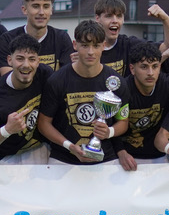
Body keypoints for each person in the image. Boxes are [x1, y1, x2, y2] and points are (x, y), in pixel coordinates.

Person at [37, 20, 130, 167]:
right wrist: (69, 146)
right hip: (63, 159)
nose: (91, 52)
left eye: (96, 45)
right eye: (85, 46)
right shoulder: (57, 80)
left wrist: (109, 132)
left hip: (105, 159)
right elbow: (43, 124)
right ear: (75, 45)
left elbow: (123, 122)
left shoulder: (116, 82)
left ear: (104, 46)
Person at [116, 43, 169, 169]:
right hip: (126, 157)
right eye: (144, 67)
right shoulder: (123, 89)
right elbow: (110, 125)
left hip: (160, 156)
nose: (150, 73)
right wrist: (121, 152)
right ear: (132, 69)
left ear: (160, 67)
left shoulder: (167, 82)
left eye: (155, 67)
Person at [0, 34, 53, 166]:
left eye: (31, 59)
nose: (26, 65)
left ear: (38, 61)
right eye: (20, 59)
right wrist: (7, 129)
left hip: (38, 148)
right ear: (9, 60)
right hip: (7, 156)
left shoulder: (45, 74)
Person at [0, 0, 73, 75]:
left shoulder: (61, 38)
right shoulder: (7, 39)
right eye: (36, 6)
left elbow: (66, 76)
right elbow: (6, 77)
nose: (41, 12)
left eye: (46, 7)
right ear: (24, 10)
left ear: (51, 10)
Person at [92, 0, 169, 75]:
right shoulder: (86, 48)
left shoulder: (129, 44)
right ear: (97, 18)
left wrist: (166, 19)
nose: (115, 20)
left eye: (119, 16)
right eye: (109, 16)